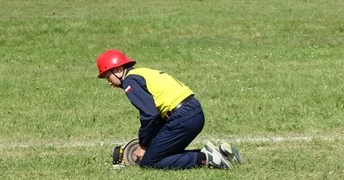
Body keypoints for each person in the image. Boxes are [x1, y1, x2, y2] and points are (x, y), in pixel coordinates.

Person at [95, 49, 242, 170]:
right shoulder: (142, 72)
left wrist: (143, 145)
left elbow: (150, 114)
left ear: (119, 70)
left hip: (182, 118)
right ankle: (220, 153)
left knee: (150, 163)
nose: (109, 83)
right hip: (194, 112)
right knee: (165, 153)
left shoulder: (129, 81)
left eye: (108, 77)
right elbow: (156, 115)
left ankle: (206, 158)